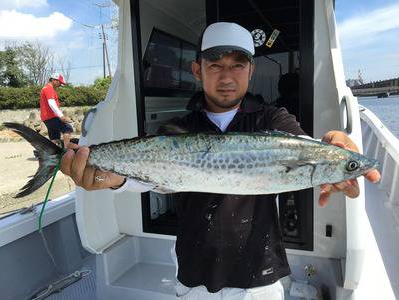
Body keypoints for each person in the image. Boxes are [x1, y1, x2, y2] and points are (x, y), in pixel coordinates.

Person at [60, 22, 381, 299]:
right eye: (215, 64)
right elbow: (150, 177)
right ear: (197, 70)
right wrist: (110, 177)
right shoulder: (178, 129)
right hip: (194, 270)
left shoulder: (274, 120)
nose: (226, 75)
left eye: (238, 64)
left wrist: (335, 149)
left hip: (260, 276)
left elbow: (306, 147)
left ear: (251, 70)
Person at [40, 73, 73, 148]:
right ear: (54, 80)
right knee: (67, 129)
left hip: (46, 117)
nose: (60, 85)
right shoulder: (49, 88)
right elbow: (51, 103)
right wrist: (61, 116)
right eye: (59, 82)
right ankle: (66, 150)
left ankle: (54, 153)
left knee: (54, 136)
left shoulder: (45, 88)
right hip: (52, 116)